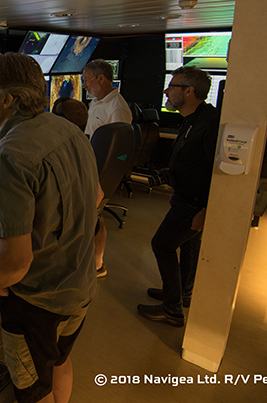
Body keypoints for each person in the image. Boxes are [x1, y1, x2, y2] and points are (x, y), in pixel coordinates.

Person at [0, 53, 101, 403]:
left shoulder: (8, 155)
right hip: (81, 283)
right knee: (60, 360)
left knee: (32, 389)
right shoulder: (68, 130)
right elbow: (98, 196)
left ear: (6, 99)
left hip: (40, 302)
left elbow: (15, 261)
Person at [137, 66, 219, 327]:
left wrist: (207, 209)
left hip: (195, 203)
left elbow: (219, 172)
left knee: (162, 244)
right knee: (189, 245)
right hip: (185, 196)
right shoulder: (196, 117)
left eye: (171, 86)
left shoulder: (210, 123)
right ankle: (181, 292)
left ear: (189, 91)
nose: (166, 91)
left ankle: (172, 310)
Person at [81, 59, 134, 278]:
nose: (84, 85)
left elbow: (119, 148)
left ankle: (96, 265)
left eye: (86, 81)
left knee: (95, 216)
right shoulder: (98, 101)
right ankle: (94, 263)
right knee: (95, 217)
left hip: (101, 172)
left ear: (100, 78)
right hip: (92, 166)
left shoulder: (118, 108)